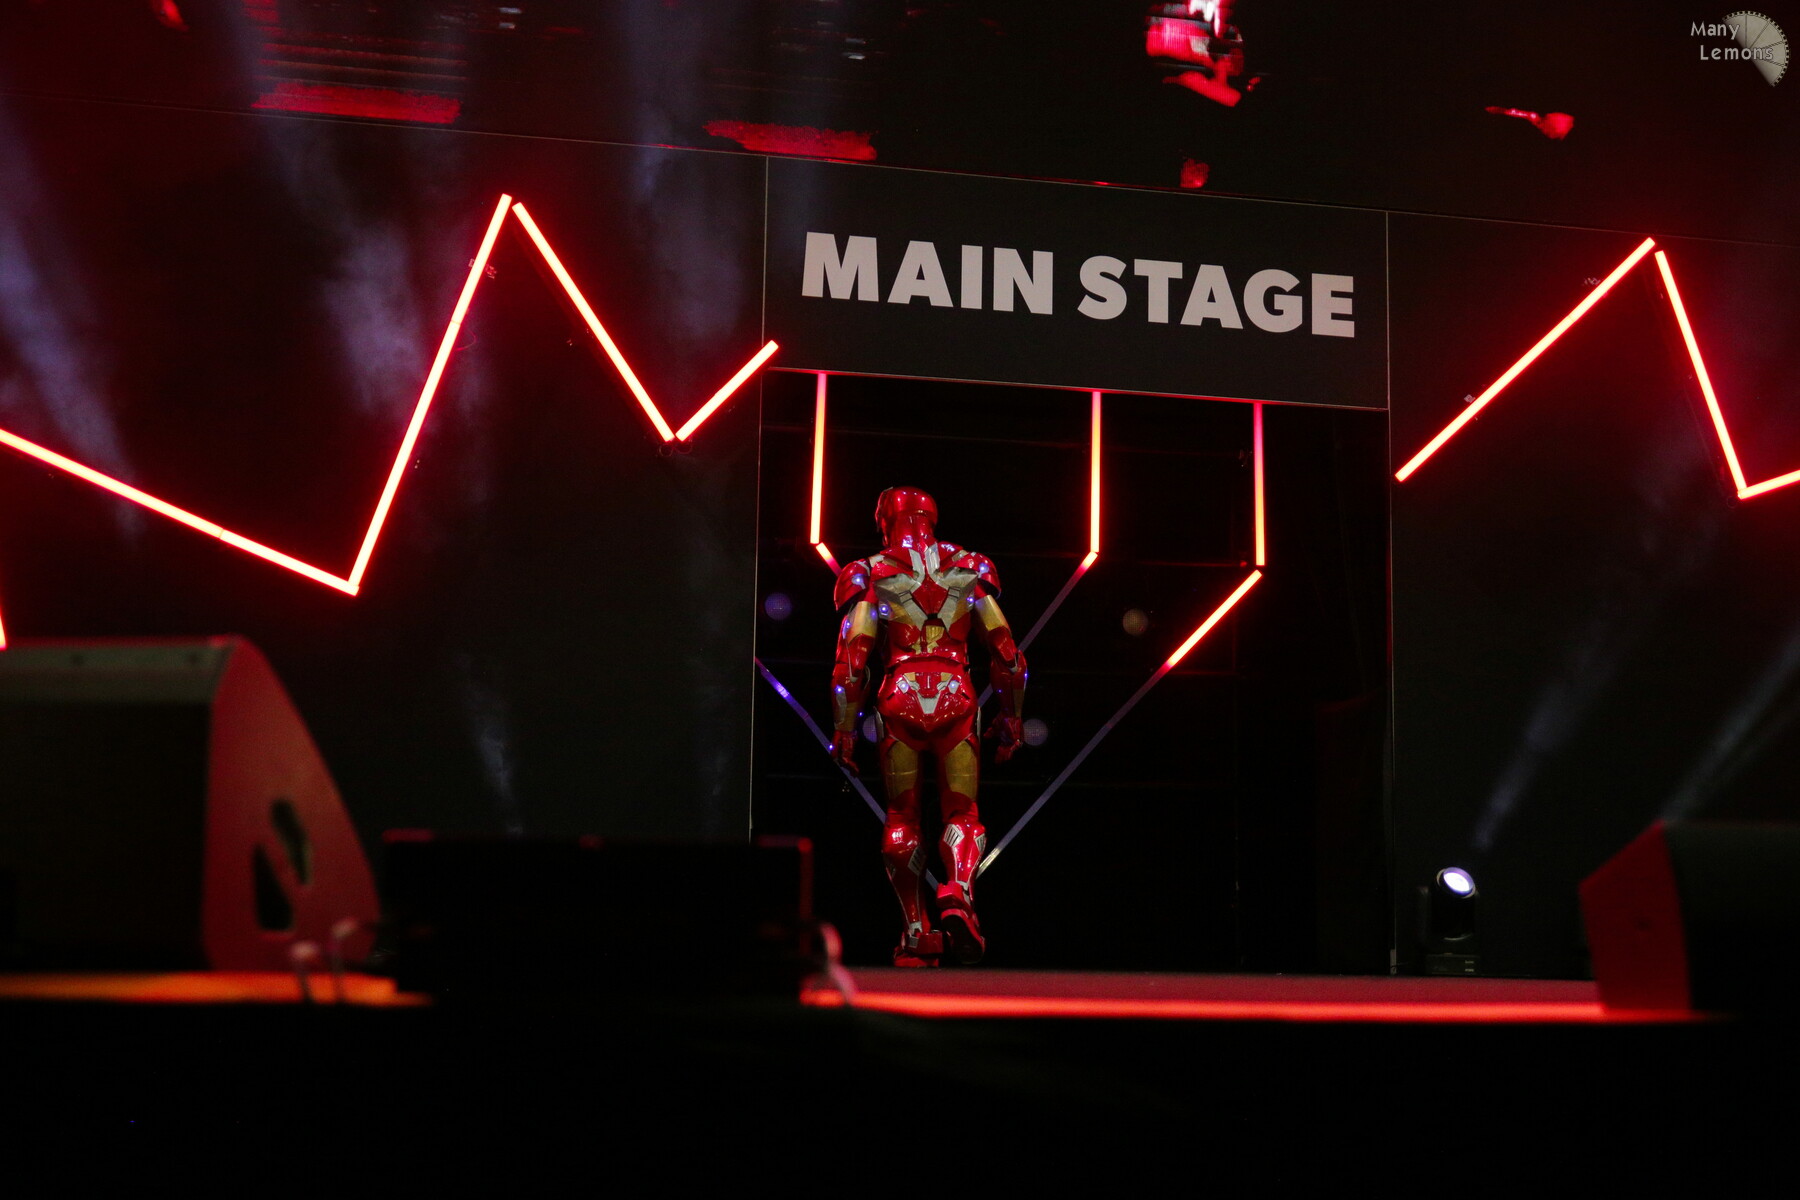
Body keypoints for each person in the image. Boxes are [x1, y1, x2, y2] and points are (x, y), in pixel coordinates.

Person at [828, 486, 1027, 966]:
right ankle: (959, 891)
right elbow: (1006, 652)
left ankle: (916, 931)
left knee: (903, 817)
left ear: (884, 521)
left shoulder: (870, 572)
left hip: (900, 695)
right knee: (963, 812)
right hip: (956, 693)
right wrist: (1012, 717)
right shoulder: (969, 568)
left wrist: (845, 728)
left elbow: (852, 660)